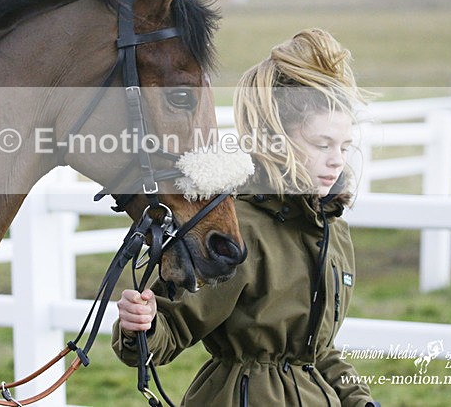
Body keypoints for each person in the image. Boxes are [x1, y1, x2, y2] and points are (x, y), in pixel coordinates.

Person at [112, 28, 379, 406]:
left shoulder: (333, 231)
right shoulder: (238, 230)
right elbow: (168, 330)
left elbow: (316, 351)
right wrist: (142, 323)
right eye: (322, 144)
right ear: (279, 140)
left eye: (344, 146)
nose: (337, 159)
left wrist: (358, 400)